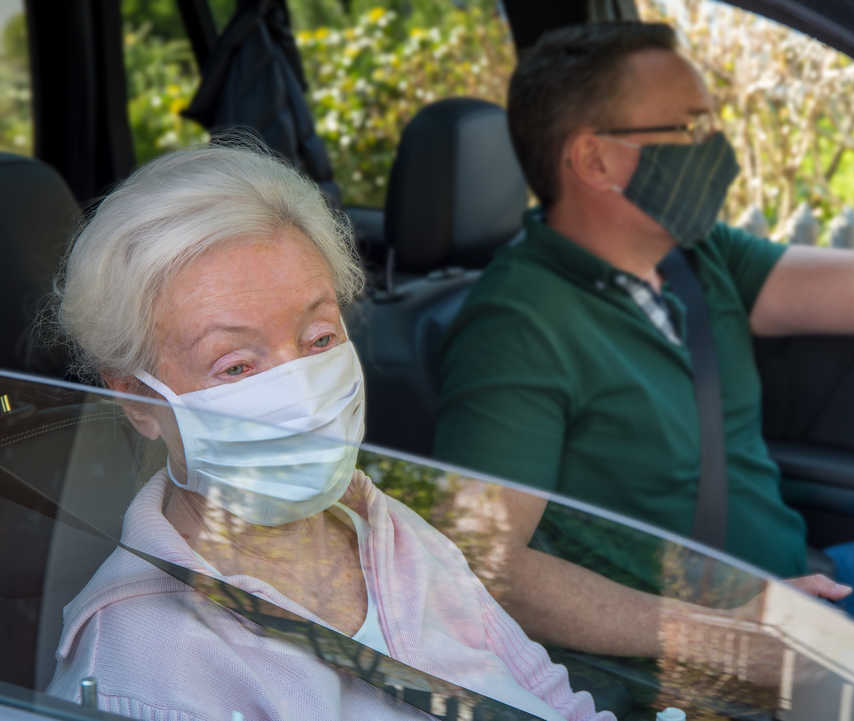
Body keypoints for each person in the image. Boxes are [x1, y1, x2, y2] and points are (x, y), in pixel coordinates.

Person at [434, 22, 854, 720]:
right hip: (700, 663)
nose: (719, 148)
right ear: (593, 159)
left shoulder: (697, 257)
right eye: (689, 127)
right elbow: (483, 562)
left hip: (812, 583)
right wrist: (719, 636)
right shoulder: (517, 323)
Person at [44, 142, 615, 721]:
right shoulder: (139, 667)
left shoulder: (392, 534)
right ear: (138, 400)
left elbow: (556, 703)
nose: (301, 387)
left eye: (319, 339)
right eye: (236, 365)